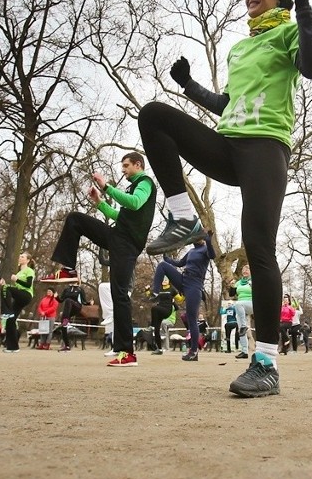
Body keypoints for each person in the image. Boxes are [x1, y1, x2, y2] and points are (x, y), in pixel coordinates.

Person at [138, 0, 312, 397]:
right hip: (229, 144)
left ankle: (265, 363)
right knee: (154, 115)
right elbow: (228, 105)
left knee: (259, 248)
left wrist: (305, 8)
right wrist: (189, 86)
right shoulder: (240, 48)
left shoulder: (289, 33)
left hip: (265, 148)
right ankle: (183, 218)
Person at [42, 153, 157, 367]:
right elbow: (120, 216)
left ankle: (127, 353)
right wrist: (99, 202)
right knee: (75, 219)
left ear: (138, 165)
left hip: (127, 244)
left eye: (126, 166)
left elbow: (135, 203)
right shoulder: (133, 185)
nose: (122, 170)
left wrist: (106, 187)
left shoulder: (145, 183)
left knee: (119, 294)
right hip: (118, 236)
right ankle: (68, 269)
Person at [151, 233, 215, 361]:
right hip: (183, 280)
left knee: (192, 319)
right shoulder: (191, 251)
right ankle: (155, 292)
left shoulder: (205, 250)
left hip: (194, 285)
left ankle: (194, 351)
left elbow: (212, 255)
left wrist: (209, 241)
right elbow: (180, 263)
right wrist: (166, 257)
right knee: (163, 266)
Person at [0, 252, 35, 353]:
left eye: (22, 256)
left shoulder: (29, 271)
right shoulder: (18, 272)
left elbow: (28, 285)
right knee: (10, 321)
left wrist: (17, 280)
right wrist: (5, 285)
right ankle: (13, 347)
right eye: (19, 256)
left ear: (27, 260)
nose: (20, 257)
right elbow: (16, 289)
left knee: (7, 288)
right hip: (20, 296)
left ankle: (6, 312)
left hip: (26, 295)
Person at [149, 278, 178, 355]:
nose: (164, 281)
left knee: (154, 308)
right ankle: (159, 349)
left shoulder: (172, 289)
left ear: (169, 281)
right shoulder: (159, 289)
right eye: (163, 280)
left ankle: (151, 325)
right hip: (159, 310)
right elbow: (152, 298)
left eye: (166, 280)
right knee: (157, 330)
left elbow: (180, 299)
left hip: (167, 310)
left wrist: (185, 294)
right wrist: (147, 290)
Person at [57, 280, 87, 352]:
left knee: (68, 300)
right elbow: (61, 300)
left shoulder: (80, 289)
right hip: (68, 309)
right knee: (63, 327)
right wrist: (56, 297)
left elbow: (84, 301)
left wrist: (89, 303)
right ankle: (67, 346)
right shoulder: (66, 289)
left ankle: (66, 320)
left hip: (76, 307)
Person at [231, 264, 253, 359]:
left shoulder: (253, 280)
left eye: (248, 269)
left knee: (238, 304)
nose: (245, 270)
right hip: (241, 308)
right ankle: (244, 351)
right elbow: (232, 294)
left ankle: (244, 325)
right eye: (244, 268)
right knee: (240, 329)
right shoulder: (239, 283)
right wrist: (232, 286)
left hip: (252, 304)